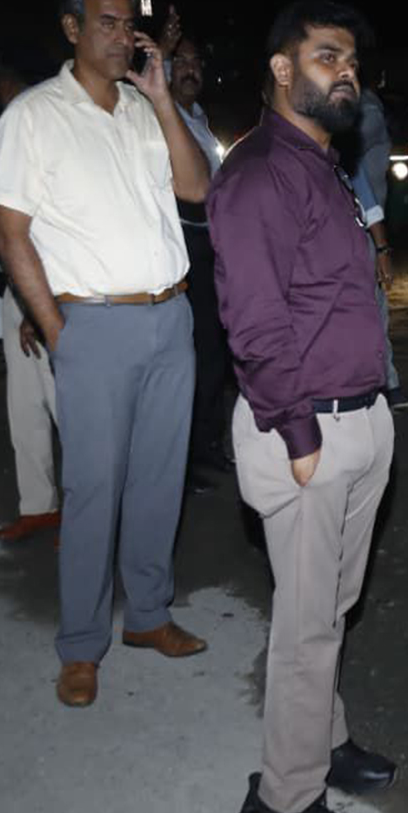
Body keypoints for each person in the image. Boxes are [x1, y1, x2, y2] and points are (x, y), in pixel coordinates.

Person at [0, 0, 210, 708]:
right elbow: (11, 234)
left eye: (127, 24)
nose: (121, 37)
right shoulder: (34, 116)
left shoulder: (145, 109)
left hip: (170, 316)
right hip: (94, 325)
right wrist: (59, 331)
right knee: (92, 490)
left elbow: (197, 189)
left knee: (158, 481)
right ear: (72, 29)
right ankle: (81, 646)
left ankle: (148, 615)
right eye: (106, 23)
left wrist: (164, 101)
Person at [211, 0, 398, 813]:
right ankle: (283, 804)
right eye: (327, 56)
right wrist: (297, 434)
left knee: (329, 609)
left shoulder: (324, 167)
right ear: (283, 70)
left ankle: (324, 740)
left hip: (355, 419)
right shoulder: (258, 175)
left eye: (351, 59)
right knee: (306, 626)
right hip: (306, 433)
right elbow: (254, 324)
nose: (345, 71)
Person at [0, 46, 60, 544]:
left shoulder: (43, 127)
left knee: (64, 405)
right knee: (25, 403)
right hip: (16, 289)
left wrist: (38, 307)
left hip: (48, 290)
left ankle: (86, 514)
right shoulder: (10, 128)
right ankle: (38, 506)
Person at [164, 30, 235, 487]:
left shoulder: (199, 118)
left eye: (196, 63)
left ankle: (208, 445)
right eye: (181, 62)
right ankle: (184, 460)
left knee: (213, 353)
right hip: (182, 249)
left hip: (210, 247)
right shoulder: (158, 115)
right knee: (189, 359)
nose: (191, 70)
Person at [339, 87, 408, 410]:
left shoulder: (364, 111)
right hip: (325, 241)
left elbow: (361, 185)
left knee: (372, 309)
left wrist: (382, 247)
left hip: (359, 233)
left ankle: (384, 383)